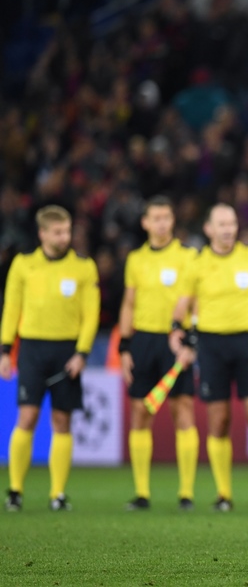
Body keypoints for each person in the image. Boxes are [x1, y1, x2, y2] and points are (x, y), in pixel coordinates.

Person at [169, 203, 248, 512]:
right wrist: (176, 330)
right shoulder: (196, 264)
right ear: (209, 229)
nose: (227, 229)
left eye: (232, 223)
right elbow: (182, 304)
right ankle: (223, 495)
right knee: (218, 421)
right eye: (221, 224)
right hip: (211, 345)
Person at [1, 206, 100, 511]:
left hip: (66, 351)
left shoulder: (84, 267)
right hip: (31, 349)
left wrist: (82, 352)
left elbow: (90, 314)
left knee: (62, 420)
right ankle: (15, 490)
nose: (64, 237)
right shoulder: (23, 265)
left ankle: (57, 493)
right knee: (27, 417)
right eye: (58, 232)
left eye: (67, 231)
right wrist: (5, 350)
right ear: (42, 233)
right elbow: (11, 308)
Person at [118, 196, 198, 511]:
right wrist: (124, 347)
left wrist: (191, 341)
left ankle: (186, 494)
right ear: (145, 223)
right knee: (141, 413)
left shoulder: (189, 256)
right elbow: (128, 302)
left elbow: (195, 300)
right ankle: (142, 494)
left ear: (173, 220)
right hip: (143, 340)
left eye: (167, 217)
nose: (162, 222)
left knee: (183, 411)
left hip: (174, 342)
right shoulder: (135, 259)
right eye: (156, 218)